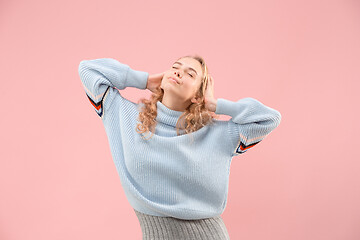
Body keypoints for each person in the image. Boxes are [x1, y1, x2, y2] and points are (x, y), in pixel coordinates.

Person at [78, 55, 282, 240]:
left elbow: (269, 119)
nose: (178, 72)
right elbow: (87, 69)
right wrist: (144, 80)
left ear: (197, 95)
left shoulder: (218, 134)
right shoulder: (125, 115)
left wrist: (214, 104)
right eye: (175, 67)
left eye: (190, 74)